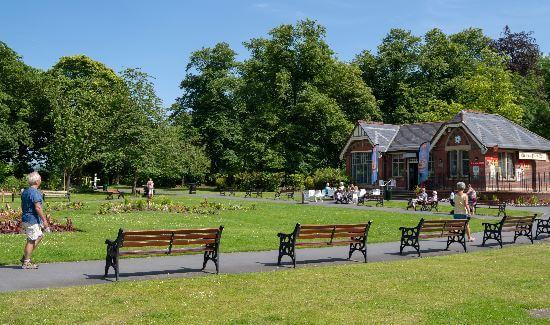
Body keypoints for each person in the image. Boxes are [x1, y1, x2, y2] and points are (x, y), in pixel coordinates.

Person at [20, 172, 50, 269]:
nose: (41, 180)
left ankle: (25, 257)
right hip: (31, 219)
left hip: (26, 218)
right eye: (40, 179)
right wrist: (44, 221)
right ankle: (26, 262)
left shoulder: (25, 191)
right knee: (31, 240)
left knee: (39, 236)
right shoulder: (35, 192)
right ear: (37, 181)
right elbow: (38, 208)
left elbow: (22, 205)